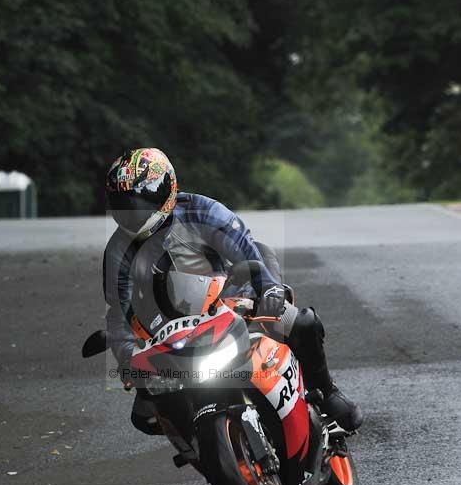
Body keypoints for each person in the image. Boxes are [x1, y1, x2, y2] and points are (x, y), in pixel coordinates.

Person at [103, 147, 362, 434]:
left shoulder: (203, 212)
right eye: (121, 203)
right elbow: (119, 311)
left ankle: (326, 392)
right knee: (145, 415)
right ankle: (202, 444)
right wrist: (127, 355)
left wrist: (269, 291)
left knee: (302, 323)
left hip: (233, 298)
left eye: (136, 202)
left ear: (163, 191)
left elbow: (247, 253)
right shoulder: (118, 251)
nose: (129, 212)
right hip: (173, 329)